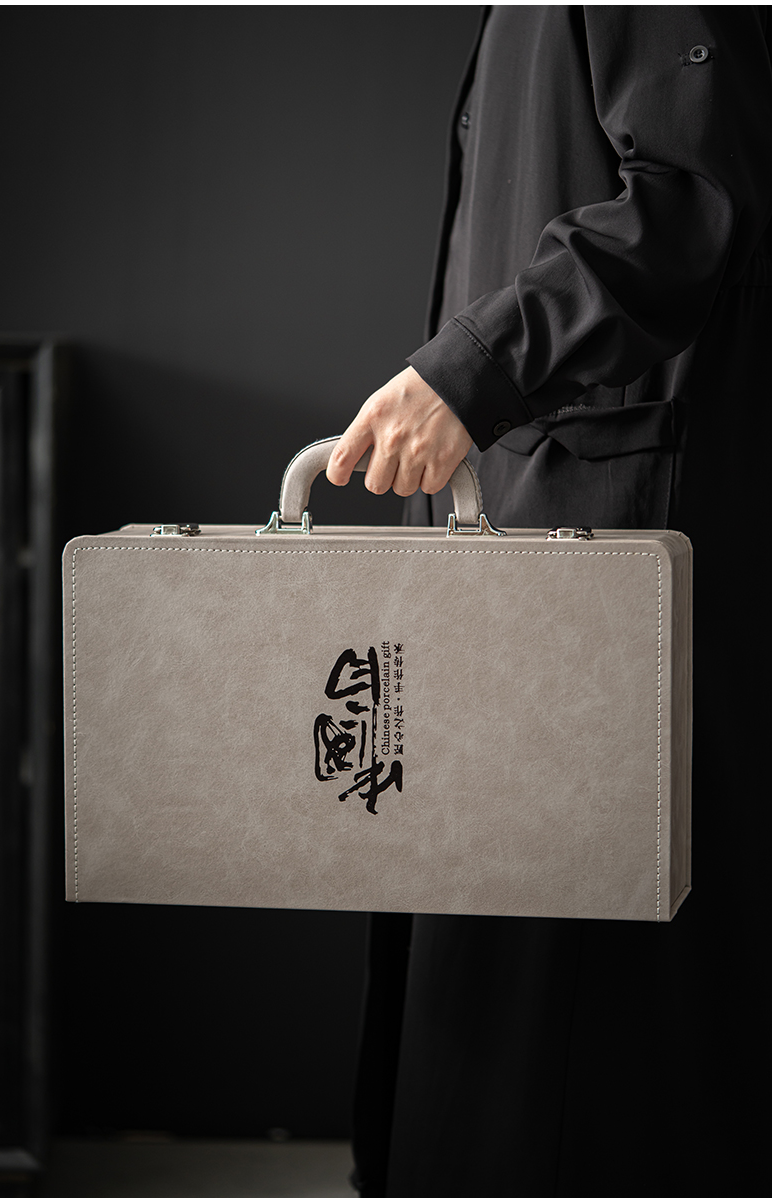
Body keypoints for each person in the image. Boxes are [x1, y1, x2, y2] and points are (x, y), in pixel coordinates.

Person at [326, 8, 772, 1197]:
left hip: (606, 562)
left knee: (584, 1068)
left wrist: (470, 372)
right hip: (530, 541)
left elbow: (692, 196)